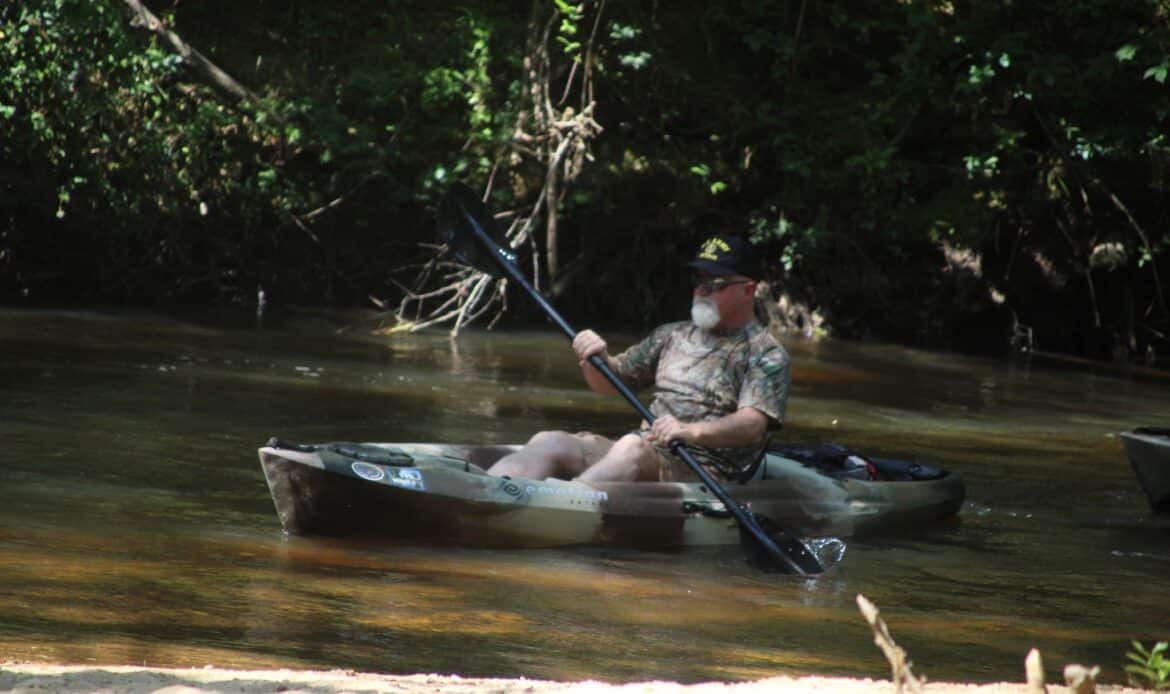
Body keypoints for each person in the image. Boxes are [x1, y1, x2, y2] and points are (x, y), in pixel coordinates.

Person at [487, 233, 791, 483]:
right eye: (698, 280)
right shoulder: (671, 335)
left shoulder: (765, 353)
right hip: (647, 450)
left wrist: (688, 431)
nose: (702, 290)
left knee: (631, 447)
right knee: (550, 440)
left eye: (716, 284)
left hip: (705, 471)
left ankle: (559, 507)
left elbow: (751, 425)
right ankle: (490, 490)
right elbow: (611, 383)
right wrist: (597, 359)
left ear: (748, 290)